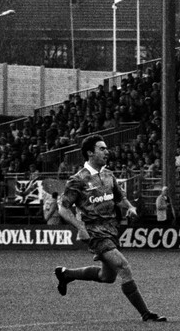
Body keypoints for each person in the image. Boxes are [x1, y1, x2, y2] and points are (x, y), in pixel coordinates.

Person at [53, 136, 165, 321]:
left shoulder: (108, 175)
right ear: (90, 152)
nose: (107, 152)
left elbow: (119, 198)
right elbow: (63, 208)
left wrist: (129, 207)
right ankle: (146, 314)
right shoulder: (78, 179)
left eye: (106, 149)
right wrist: (80, 227)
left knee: (107, 277)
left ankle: (66, 274)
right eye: (102, 149)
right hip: (95, 232)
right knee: (124, 266)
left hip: (111, 230)